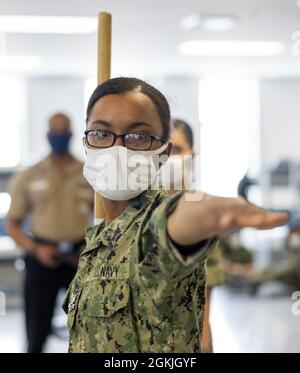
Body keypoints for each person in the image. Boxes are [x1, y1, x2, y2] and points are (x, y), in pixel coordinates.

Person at [63, 77, 288, 353]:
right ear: (86, 142)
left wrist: (212, 209)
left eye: (138, 136)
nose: (117, 149)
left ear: (164, 152)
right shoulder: (99, 238)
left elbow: (176, 222)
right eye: (101, 132)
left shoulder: (153, 226)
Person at [6, 113, 94, 353]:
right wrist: (35, 249)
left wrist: (89, 248)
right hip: (42, 255)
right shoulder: (30, 175)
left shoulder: (87, 174)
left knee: (89, 325)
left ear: (71, 134)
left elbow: (105, 217)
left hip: (79, 256)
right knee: (36, 331)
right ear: (47, 135)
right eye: (55, 131)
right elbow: (12, 224)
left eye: (64, 130)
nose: (59, 136)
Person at [165, 119, 224, 352]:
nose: (169, 158)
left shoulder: (204, 211)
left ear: (193, 155)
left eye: (177, 150)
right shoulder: (139, 211)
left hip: (187, 342)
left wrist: (204, 345)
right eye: (164, 150)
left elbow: (206, 294)